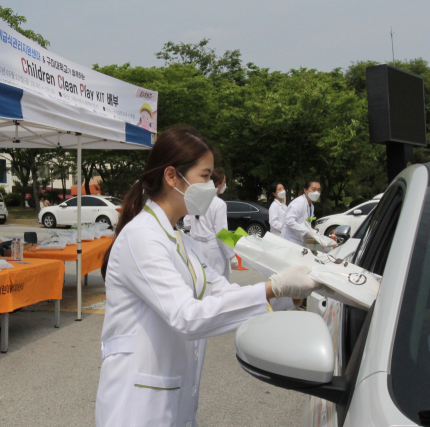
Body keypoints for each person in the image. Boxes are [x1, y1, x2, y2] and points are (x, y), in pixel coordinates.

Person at [95, 127, 322, 427]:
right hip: (136, 407)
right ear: (172, 176)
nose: (211, 187)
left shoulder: (179, 238)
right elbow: (186, 317)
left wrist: (286, 294)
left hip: (173, 400)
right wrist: (272, 287)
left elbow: (220, 290)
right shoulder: (142, 238)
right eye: (204, 177)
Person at [182, 168, 237, 280]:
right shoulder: (219, 204)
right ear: (218, 184)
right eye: (224, 182)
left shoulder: (196, 199)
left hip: (195, 247)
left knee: (201, 280)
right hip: (213, 251)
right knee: (217, 283)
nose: (224, 185)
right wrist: (231, 255)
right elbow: (222, 233)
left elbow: (186, 223)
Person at [282, 179, 333, 248]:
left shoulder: (311, 206)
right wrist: (306, 231)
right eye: (313, 189)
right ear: (305, 190)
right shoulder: (299, 202)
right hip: (290, 240)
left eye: (319, 190)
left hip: (300, 241)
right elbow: (289, 221)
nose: (316, 192)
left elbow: (306, 224)